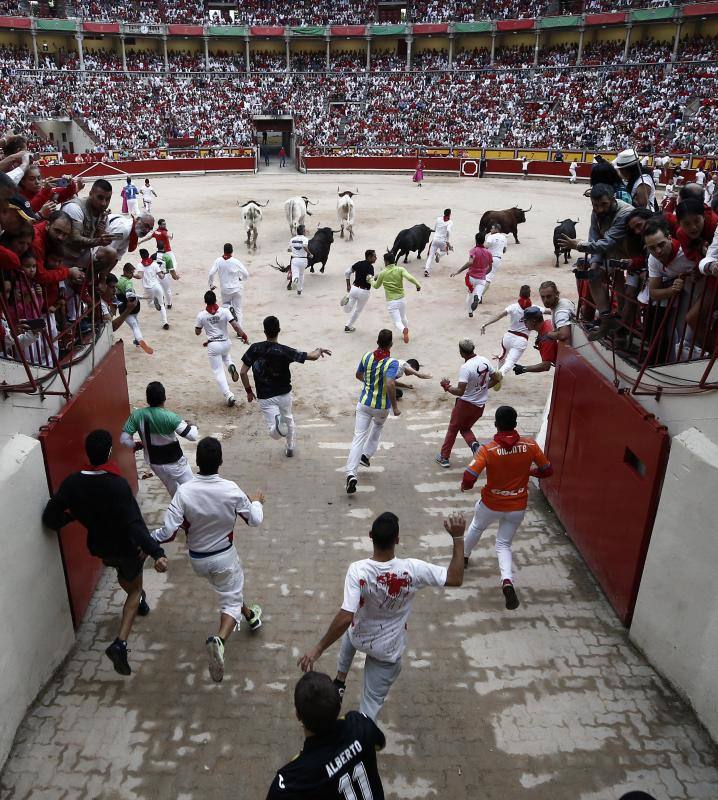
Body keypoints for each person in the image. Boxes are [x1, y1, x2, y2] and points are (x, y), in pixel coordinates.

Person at [298, 511, 465, 719]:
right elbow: (455, 578)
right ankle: (363, 740)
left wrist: (318, 648)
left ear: (370, 536)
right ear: (397, 540)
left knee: (349, 630)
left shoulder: (358, 571)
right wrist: (458, 538)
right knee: (370, 703)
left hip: (360, 636)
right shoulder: (413, 569)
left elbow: (345, 617)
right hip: (387, 651)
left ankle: (340, 680)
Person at [42, 429, 168, 676]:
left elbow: (50, 517)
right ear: (109, 452)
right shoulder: (117, 485)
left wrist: (71, 516)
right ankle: (120, 643)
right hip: (126, 547)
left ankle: (139, 603)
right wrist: (156, 552)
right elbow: (134, 524)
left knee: (125, 575)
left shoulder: (72, 483)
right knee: (134, 588)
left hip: (100, 547)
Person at [151, 436, 264, 683]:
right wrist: (256, 502)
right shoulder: (231, 489)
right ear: (221, 461)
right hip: (224, 557)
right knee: (230, 598)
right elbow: (254, 520)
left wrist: (149, 539)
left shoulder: (184, 492)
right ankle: (220, 640)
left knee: (229, 590)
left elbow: (168, 533)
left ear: (197, 462)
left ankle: (251, 616)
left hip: (198, 561)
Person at [461, 405, 553, 610]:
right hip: (518, 505)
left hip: (491, 503)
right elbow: (547, 470)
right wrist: (531, 473)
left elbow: (469, 476)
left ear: (496, 425)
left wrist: (465, 486)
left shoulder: (488, 449)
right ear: (515, 424)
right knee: (503, 544)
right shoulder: (530, 445)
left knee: (477, 527)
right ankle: (507, 581)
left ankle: (464, 558)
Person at [267, 672, 386, 799]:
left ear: (297, 715)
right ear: (338, 706)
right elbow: (380, 744)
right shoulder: (359, 723)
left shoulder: (290, 780)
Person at [240, 315, 331, 457]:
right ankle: (290, 447)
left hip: (265, 396)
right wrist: (319, 350)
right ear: (279, 330)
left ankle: (278, 426)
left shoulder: (255, 348)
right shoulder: (284, 350)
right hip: (284, 394)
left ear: (264, 331)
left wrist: (249, 391)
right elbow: (312, 356)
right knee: (289, 419)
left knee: (274, 432)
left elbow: (243, 372)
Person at [557, 183, 630, 339]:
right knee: (593, 275)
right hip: (609, 252)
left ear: (612, 199)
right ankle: (606, 319)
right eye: (595, 205)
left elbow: (609, 241)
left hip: (627, 251)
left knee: (621, 285)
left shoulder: (625, 212)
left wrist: (579, 245)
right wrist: (594, 262)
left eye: (603, 204)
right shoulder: (596, 211)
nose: (600, 209)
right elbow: (594, 235)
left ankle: (624, 324)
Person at [344, 329, 401, 494]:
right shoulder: (392, 363)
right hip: (381, 406)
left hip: (364, 403)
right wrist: (395, 407)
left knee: (358, 437)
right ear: (391, 343)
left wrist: (369, 383)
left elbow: (358, 375)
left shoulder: (367, 356)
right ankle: (366, 455)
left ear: (377, 341)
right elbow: (390, 384)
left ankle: (351, 473)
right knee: (377, 428)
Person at [120, 381, 198, 495]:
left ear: (148, 399)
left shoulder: (137, 415)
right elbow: (192, 436)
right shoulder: (171, 417)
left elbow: (124, 439)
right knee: (192, 491)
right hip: (175, 463)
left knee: (174, 491)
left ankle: (179, 511)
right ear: (164, 398)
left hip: (155, 464)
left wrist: (137, 445)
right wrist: (194, 426)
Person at [435, 338, 499, 468]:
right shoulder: (484, 360)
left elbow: (460, 391)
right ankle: (475, 446)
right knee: (465, 428)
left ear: (461, 352)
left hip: (464, 406)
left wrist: (446, 386)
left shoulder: (465, 368)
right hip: (480, 406)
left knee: (453, 429)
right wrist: (484, 387)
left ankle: (444, 458)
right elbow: (496, 378)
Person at [195, 290, 249, 407]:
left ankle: (228, 394)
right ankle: (230, 365)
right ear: (215, 300)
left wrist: (202, 328)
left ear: (205, 302)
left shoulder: (201, 315)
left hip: (213, 345)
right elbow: (235, 325)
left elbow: (197, 332)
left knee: (218, 371)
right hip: (225, 343)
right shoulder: (225, 311)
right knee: (225, 355)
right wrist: (244, 336)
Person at [481, 285, 535, 376]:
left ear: (520, 294)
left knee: (502, 357)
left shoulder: (513, 307)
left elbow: (498, 316)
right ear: (529, 295)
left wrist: (485, 324)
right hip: (521, 340)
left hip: (508, 337)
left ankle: (496, 374)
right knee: (510, 361)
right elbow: (548, 311)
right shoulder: (534, 308)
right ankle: (500, 374)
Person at [371, 253, 421, 344]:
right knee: (403, 317)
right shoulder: (400, 269)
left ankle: (403, 331)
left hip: (392, 302)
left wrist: (370, 280)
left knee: (397, 321)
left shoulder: (383, 273)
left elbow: (376, 286)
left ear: (386, 261)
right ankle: (406, 333)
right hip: (402, 299)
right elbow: (410, 277)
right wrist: (418, 285)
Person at [450, 231, 493, 316]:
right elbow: (490, 268)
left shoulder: (473, 250)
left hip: (471, 277)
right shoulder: (488, 253)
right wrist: (484, 273)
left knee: (470, 293)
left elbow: (470, 262)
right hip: (482, 279)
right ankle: (477, 297)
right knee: (478, 292)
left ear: (476, 240)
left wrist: (458, 271)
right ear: (484, 241)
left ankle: (470, 311)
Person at [208, 242, 250, 326]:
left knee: (225, 308)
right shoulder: (236, 262)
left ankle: (228, 309)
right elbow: (246, 274)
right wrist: (241, 279)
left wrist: (211, 285)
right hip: (237, 289)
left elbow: (211, 273)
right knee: (238, 310)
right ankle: (239, 332)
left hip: (225, 290)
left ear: (224, 251)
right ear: (232, 251)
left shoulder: (218, 261)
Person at [116, 262, 152, 353]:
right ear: (125, 272)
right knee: (135, 324)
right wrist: (143, 297)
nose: (132, 275)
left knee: (135, 323)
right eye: (131, 273)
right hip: (129, 308)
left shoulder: (118, 280)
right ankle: (140, 340)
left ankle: (137, 340)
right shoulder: (128, 282)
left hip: (123, 308)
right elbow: (129, 295)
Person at [512, 305, 559, 374]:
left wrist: (523, 369)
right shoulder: (548, 323)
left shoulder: (545, 339)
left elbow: (546, 366)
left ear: (533, 321)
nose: (524, 324)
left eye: (525, 321)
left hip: (567, 367)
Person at [341, 249, 376, 333]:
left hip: (354, 288)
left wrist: (348, 285)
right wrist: (376, 278)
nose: (376, 258)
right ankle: (348, 326)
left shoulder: (358, 263)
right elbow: (369, 279)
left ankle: (347, 303)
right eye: (374, 256)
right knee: (357, 310)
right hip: (364, 291)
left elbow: (347, 272)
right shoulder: (370, 267)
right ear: (369, 257)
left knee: (348, 309)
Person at [135, 247, 169, 331]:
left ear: (141, 256)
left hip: (148, 289)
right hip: (157, 286)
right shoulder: (154, 264)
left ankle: (155, 304)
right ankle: (165, 323)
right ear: (148, 255)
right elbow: (161, 276)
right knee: (162, 305)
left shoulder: (140, 265)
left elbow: (140, 276)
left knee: (150, 304)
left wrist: (132, 275)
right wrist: (164, 274)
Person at [424, 208, 453, 277]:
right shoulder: (450, 222)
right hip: (442, 241)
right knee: (445, 251)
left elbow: (434, 229)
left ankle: (426, 270)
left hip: (435, 240)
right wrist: (448, 241)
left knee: (430, 256)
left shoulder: (438, 219)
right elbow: (448, 231)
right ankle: (439, 254)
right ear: (450, 214)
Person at [483, 222, 508, 293]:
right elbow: (504, 250)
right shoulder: (504, 237)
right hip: (497, 259)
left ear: (496, 229)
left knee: (481, 275)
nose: (490, 229)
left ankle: (478, 293)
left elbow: (486, 246)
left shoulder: (491, 236)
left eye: (492, 228)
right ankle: (480, 295)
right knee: (489, 277)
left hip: (488, 258)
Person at [289, 223, 311, 296]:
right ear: (303, 231)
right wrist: (309, 253)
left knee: (295, 274)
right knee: (301, 274)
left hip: (295, 259)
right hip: (303, 260)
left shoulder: (292, 239)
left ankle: (295, 279)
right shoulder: (305, 239)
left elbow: (289, 249)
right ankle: (299, 290)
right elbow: (304, 246)